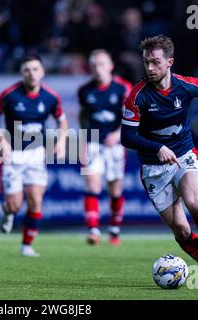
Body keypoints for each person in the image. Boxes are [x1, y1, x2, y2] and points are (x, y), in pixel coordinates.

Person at [121, 35, 198, 288]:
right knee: (182, 231)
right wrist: (157, 147)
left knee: (195, 202)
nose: (150, 68)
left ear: (170, 62)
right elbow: (126, 137)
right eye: (146, 62)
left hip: (184, 154)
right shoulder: (137, 97)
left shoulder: (185, 86)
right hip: (153, 167)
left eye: (156, 62)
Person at [0, 54, 68, 257]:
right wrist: (1, 140)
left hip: (36, 154)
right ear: (21, 73)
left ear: (42, 72)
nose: (31, 74)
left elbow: (62, 121)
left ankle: (26, 245)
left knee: (35, 200)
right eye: (27, 70)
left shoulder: (50, 97)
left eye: (35, 69)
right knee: (15, 205)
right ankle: (7, 212)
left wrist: (60, 141)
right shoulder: (9, 95)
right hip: (13, 155)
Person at [77, 49, 132, 246]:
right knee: (92, 185)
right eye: (93, 65)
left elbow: (132, 117)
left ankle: (115, 230)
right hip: (93, 142)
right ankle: (93, 230)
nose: (97, 69)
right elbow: (83, 116)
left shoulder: (123, 88)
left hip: (115, 145)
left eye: (101, 64)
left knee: (114, 189)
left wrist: (117, 134)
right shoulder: (84, 90)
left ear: (110, 66)